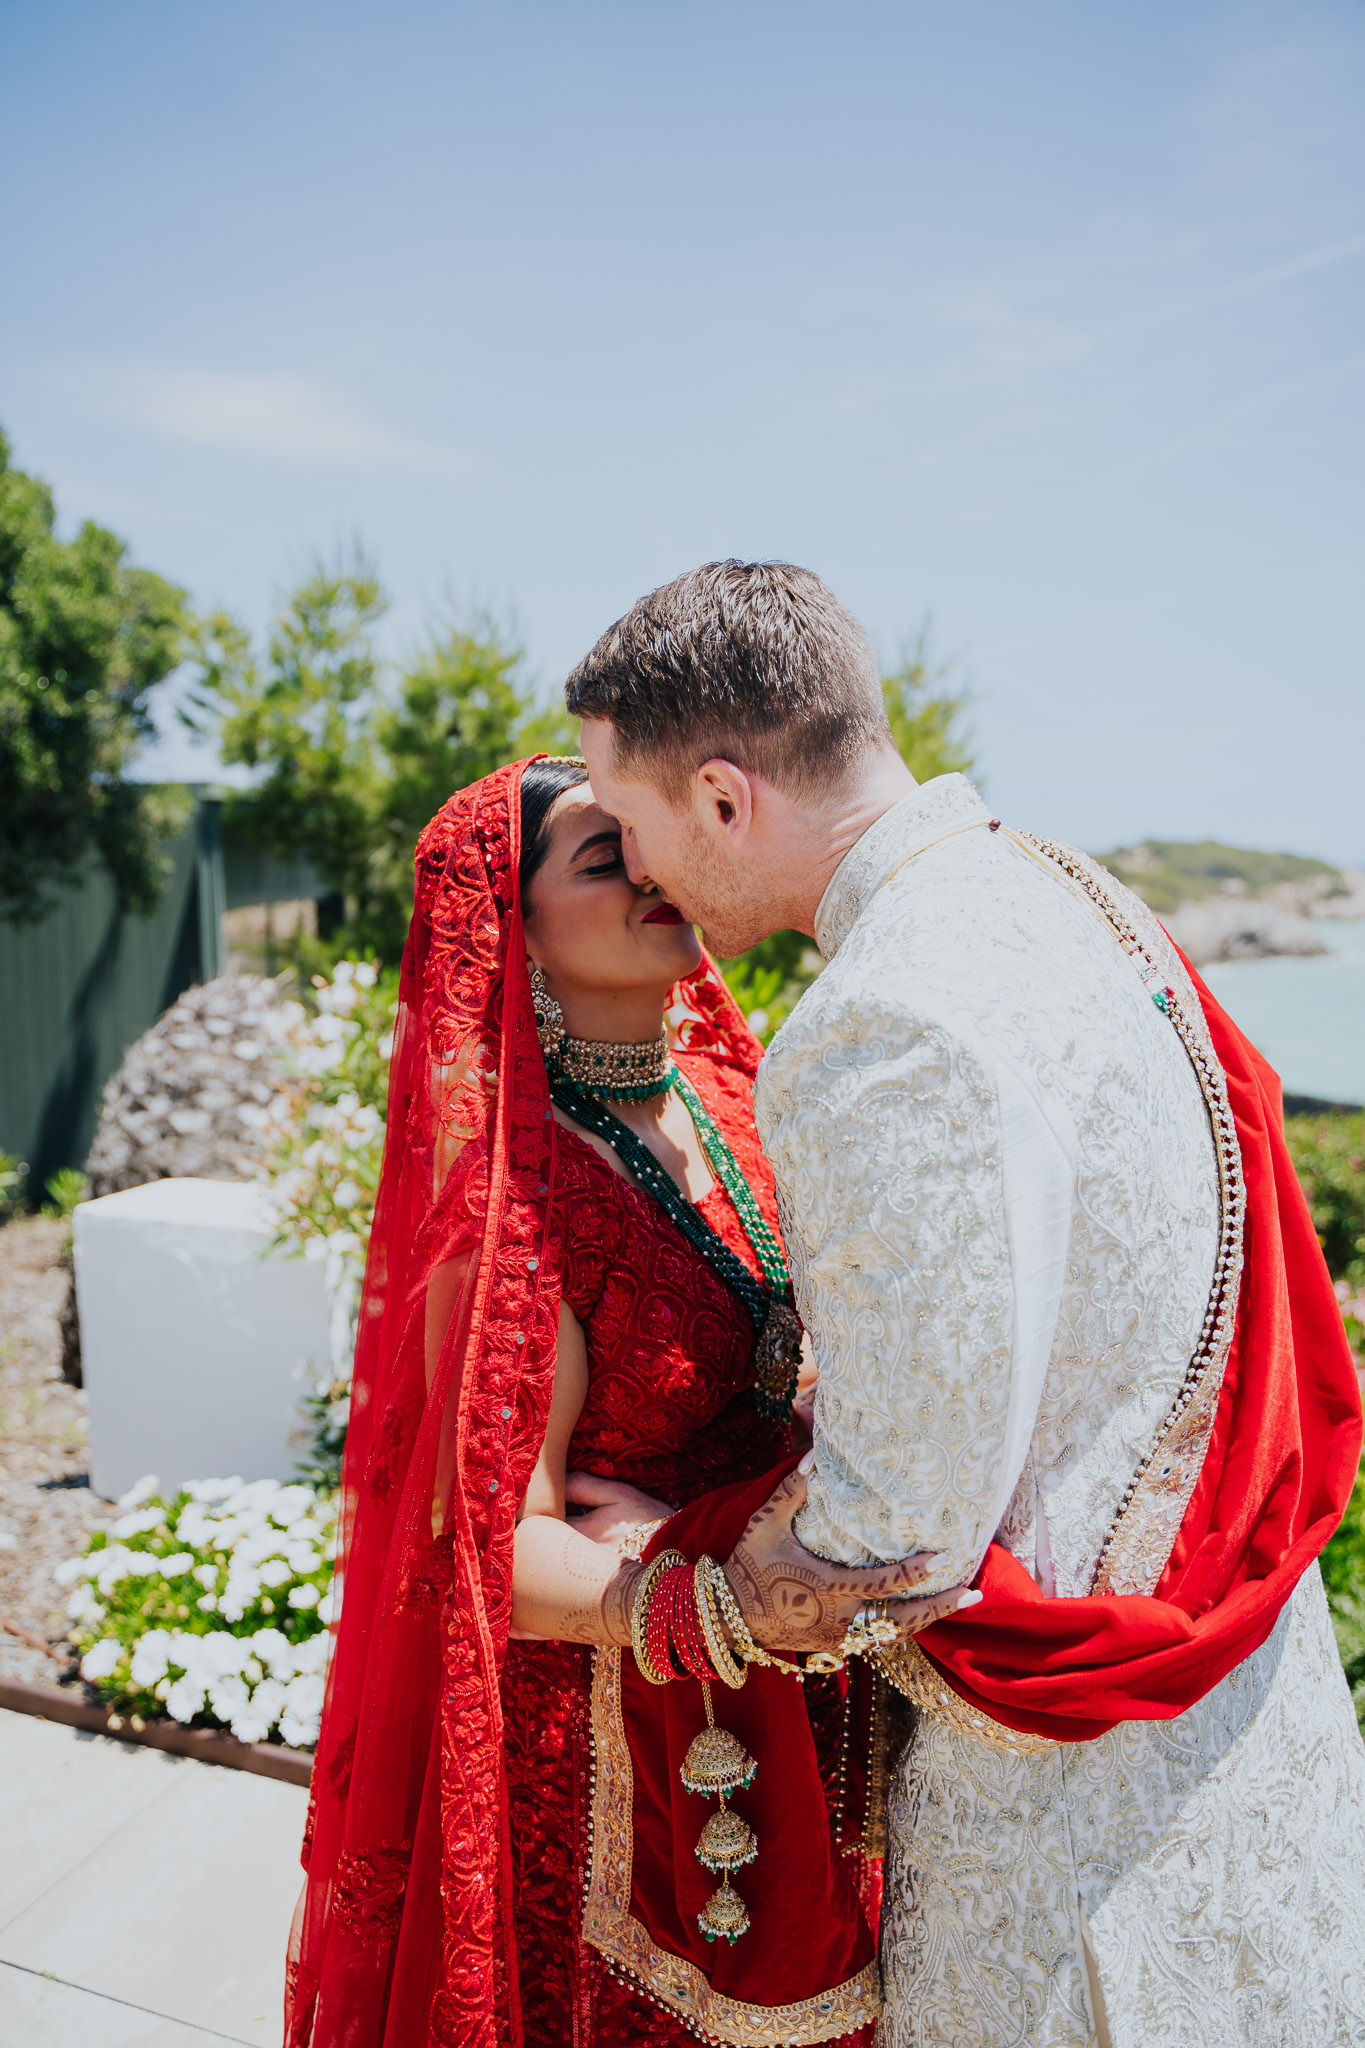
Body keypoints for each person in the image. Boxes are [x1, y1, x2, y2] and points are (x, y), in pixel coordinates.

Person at [567, 559, 1365, 2048]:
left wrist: (658, 1565)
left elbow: (890, 1540)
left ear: (726, 797)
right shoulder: (1078, 895)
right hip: (1254, 1732)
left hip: (1070, 1847)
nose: (635, 864)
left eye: (634, 822)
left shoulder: (878, 1022)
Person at [285, 756, 963, 2048]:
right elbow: (486, 1543)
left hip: (785, 1692)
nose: (654, 876)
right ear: (515, 933)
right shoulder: (518, 1205)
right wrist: (701, 1593)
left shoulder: (729, 1105)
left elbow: (784, 1360)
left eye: (646, 847)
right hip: (629, 1768)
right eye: (605, 861)